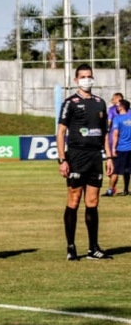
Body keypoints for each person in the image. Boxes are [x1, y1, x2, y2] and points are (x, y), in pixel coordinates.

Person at [56, 63, 113, 261]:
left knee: (93, 202)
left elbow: (104, 132)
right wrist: (62, 159)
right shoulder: (70, 103)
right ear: (76, 80)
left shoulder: (100, 103)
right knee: (74, 199)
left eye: (89, 76)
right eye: (82, 77)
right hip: (76, 156)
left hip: (95, 157)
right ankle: (71, 247)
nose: (86, 80)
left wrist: (109, 156)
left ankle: (93, 248)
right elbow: (61, 132)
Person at [103, 92, 124, 196]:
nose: (111, 101)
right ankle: (122, 188)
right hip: (125, 142)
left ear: (117, 99)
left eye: (112, 99)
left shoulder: (112, 109)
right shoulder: (128, 110)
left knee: (111, 166)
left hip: (112, 142)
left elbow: (108, 123)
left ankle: (111, 189)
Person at [110, 99, 131, 196]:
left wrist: (113, 148)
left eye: (118, 105)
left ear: (122, 107)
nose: (116, 107)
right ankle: (126, 189)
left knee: (116, 170)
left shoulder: (117, 119)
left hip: (121, 148)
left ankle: (110, 190)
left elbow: (115, 134)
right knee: (128, 170)